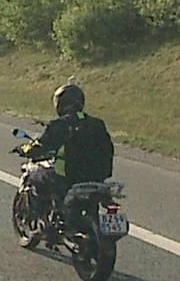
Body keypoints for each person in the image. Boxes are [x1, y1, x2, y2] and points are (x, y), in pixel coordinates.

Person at [19, 82, 114, 237]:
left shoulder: (60, 125)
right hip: (97, 177)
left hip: (68, 177)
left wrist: (26, 149)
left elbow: (42, 145)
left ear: (60, 104)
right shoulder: (97, 124)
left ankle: (49, 221)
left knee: (37, 174)